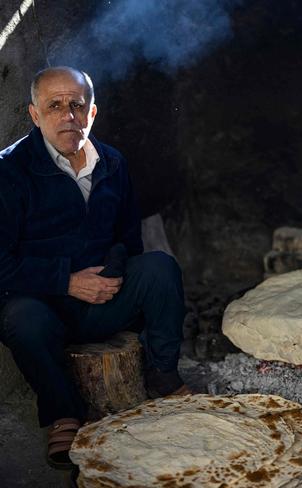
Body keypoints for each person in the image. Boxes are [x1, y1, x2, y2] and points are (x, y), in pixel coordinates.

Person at [0, 66, 190, 470]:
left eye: (76, 105)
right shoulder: (8, 172)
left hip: (105, 296)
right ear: (34, 115)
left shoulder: (112, 162)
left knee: (159, 268)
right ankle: (64, 412)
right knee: (20, 315)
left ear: (92, 112)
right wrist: (67, 282)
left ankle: (163, 375)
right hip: (47, 308)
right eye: (54, 106)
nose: (67, 115)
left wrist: (111, 273)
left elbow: (129, 239)